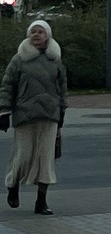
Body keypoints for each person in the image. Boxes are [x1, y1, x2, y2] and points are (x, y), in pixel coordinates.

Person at [1, 18, 67, 215]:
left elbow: (62, 87)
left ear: (48, 35)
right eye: (33, 32)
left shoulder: (55, 60)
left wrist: (62, 110)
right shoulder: (19, 59)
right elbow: (7, 85)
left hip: (49, 115)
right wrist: (4, 111)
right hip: (25, 115)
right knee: (23, 155)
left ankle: (41, 201)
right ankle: (13, 185)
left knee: (46, 159)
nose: (36, 35)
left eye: (40, 32)